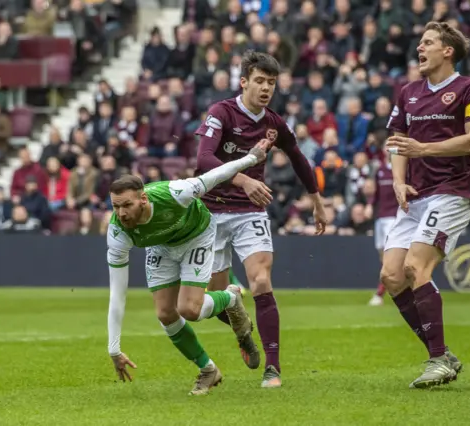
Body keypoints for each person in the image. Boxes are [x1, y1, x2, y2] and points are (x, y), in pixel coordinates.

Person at [195, 50, 327, 388]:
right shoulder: (221, 113)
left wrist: (315, 199)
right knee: (214, 296)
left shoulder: (274, 123)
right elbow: (204, 159)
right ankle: (243, 329)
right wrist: (243, 178)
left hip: (249, 213)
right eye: (259, 81)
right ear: (244, 82)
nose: (266, 88)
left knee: (261, 281)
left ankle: (273, 368)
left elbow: (296, 157)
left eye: (271, 82)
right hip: (210, 212)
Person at [106, 141, 270, 396]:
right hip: (161, 247)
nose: (121, 213)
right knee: (165, 313)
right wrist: (114, 349)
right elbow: (117, 293)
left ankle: (230, 297)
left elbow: (214, 176)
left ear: (143, 199)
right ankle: (208, 370)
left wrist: (251, 158)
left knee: (190, 310)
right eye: (115, 206)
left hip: (197, 236)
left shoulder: (174, 193)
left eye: (126, 205)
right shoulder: (117, 232)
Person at [381, 21, 470, 389]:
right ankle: (442, 354)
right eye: (419, 43)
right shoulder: (408, 92)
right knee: (392, 276)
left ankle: (438, 357)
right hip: (416, 196)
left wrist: (423, 150)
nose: (419, 49)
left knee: (415, 266)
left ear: (448, 51)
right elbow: (397, 140)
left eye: (427, 43)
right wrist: (398, 181)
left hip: (452, 191)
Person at [368, 148, 398, 307]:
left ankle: (380, 294)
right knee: (382, 256)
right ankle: (395, 287)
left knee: (389, 258)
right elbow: (377, 194)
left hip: (394, 217)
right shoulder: (380, 170)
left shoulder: (402, 168)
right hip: (380, 217)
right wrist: (369, 205)